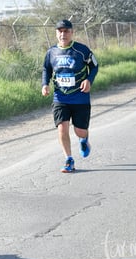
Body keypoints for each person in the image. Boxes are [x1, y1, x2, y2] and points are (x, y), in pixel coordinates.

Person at [41, 19, 99, 173]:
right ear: (56, 33)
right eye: (60, 31)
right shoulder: (51, 52)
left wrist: (89, 80)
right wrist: (45, 84)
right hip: (60, 97)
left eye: (66, 31)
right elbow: (46, 69)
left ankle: (84, 140)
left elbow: (94, 65)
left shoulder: (81, 50)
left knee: (80, 130)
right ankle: (69, 160)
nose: (63, 34)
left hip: (80, 97)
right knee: (62, 128)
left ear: (72, 32)